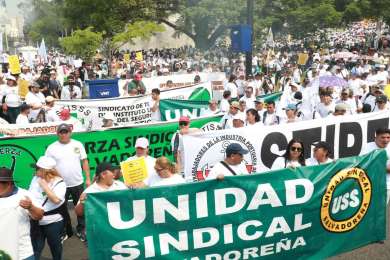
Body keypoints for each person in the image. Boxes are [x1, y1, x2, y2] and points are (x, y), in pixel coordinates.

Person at [45, 123, 91, 241]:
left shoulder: (78, 144)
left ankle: (82, 230)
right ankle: (66, 231)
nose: (64, 134)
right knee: (61, 209)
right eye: (61, 132)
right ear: (58, 133)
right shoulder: (51, 148)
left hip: (78, 183)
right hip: (60, 185)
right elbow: (48, 166)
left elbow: (84, 162)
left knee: (81, 208)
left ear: (70, 132)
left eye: (66, 132)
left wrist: (88, 179)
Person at [0, 167, 43, 260]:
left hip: (22, 254)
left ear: (8, 184)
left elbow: (39, 215)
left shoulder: (24, 195)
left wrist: (31, 207)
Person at [29, 156, 67, 260]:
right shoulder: (35, 178)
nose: (35, 170)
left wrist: (45, 186)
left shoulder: (59, 182)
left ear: (44, 171)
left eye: (37, 168)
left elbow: (56, 200)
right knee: (35, 249)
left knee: (55, 248)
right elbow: (32, 195)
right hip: (36, 220)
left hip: (53, 222)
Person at [362, 128, 390, 204]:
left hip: (386, 185)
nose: (386, 140)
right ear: (376, 137)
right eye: (383, 137)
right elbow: (363, 164)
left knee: (381, 210)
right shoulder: (367, 147)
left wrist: (374, 166)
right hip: (369, 185)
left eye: (388, 137)